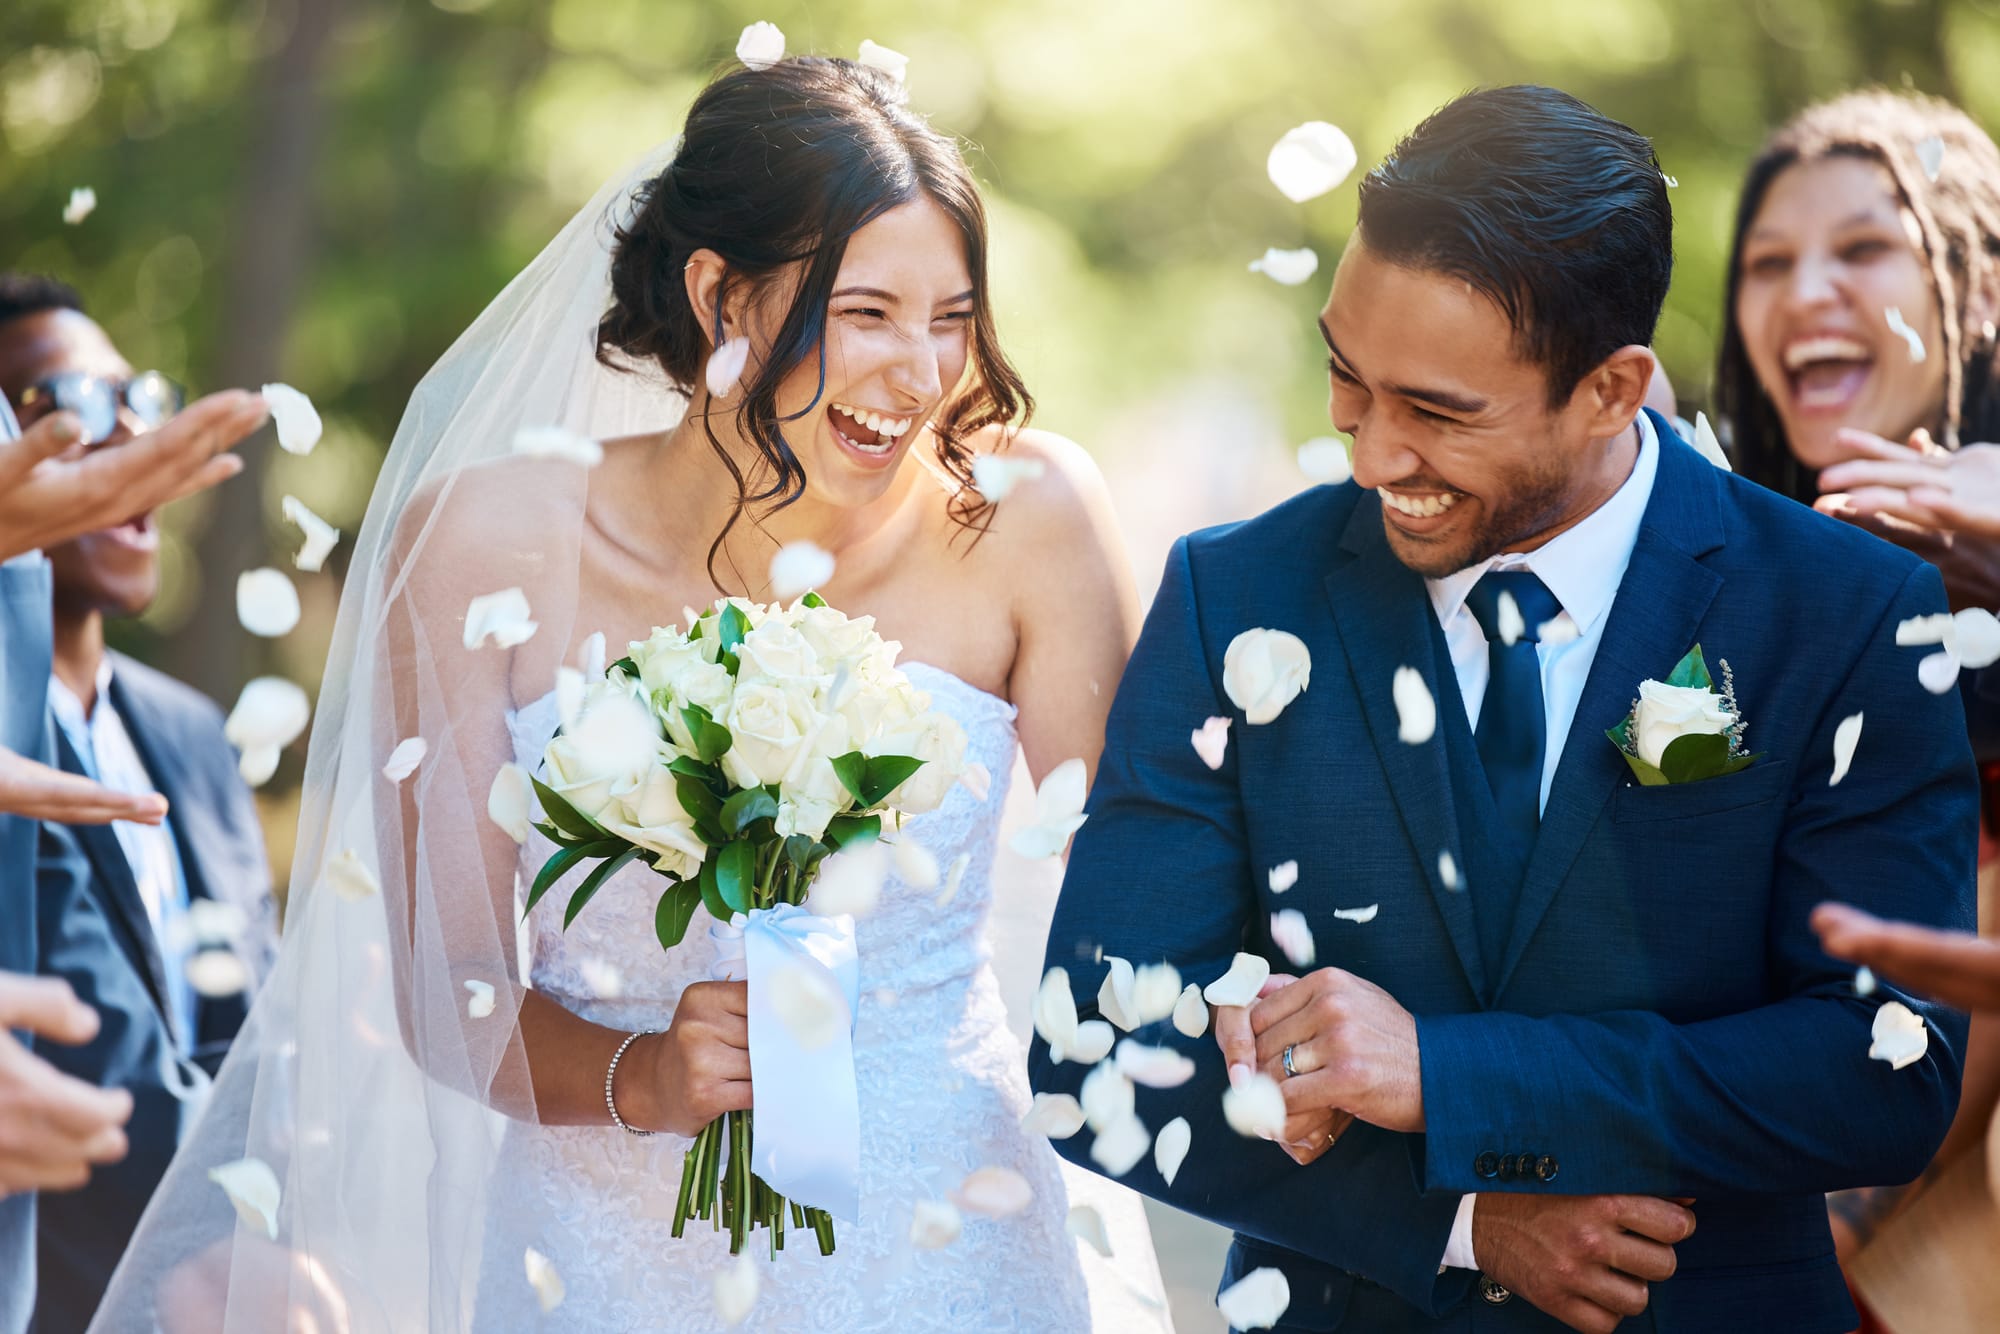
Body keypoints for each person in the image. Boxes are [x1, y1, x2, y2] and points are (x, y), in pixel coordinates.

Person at [96, 51, 1168, 1332]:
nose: (923, 371)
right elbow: (455, 989)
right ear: (718, 294)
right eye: (869, 312)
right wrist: (641, 1074)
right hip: (600, 1262)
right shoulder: (481, 546)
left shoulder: (1025, 521)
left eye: (951, 317)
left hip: (950, 1247)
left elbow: (1150, 883)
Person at [1030, 84, 1974, 1334]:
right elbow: (1094, 1044)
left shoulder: (1846, 610)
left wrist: (1451, 1080)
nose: (1369, 454)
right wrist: (1464, 1217)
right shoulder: (1232, 590)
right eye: (1346, 378)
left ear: (1610, 389)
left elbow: (1879, 1067)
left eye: (1436, 412)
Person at [1712, 89, 2000, 1332]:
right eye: (1767, 263)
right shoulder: (1716, 601)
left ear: (1976, 293)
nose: (1804, 290)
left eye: (1862, 247)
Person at [0, 274, 281, 1332]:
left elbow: (250, 1018)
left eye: (134, 395)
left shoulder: (194, 735)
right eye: (62, 399)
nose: (122, 434)